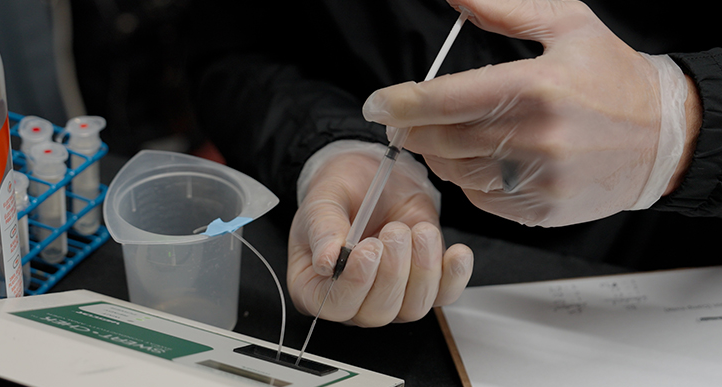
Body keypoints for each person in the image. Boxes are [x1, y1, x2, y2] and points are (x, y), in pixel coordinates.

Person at [186, 0, 722, 326]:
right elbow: (232, 44)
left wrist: (679, 123)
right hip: (381, 226)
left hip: (654, 275)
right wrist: (335, 146)